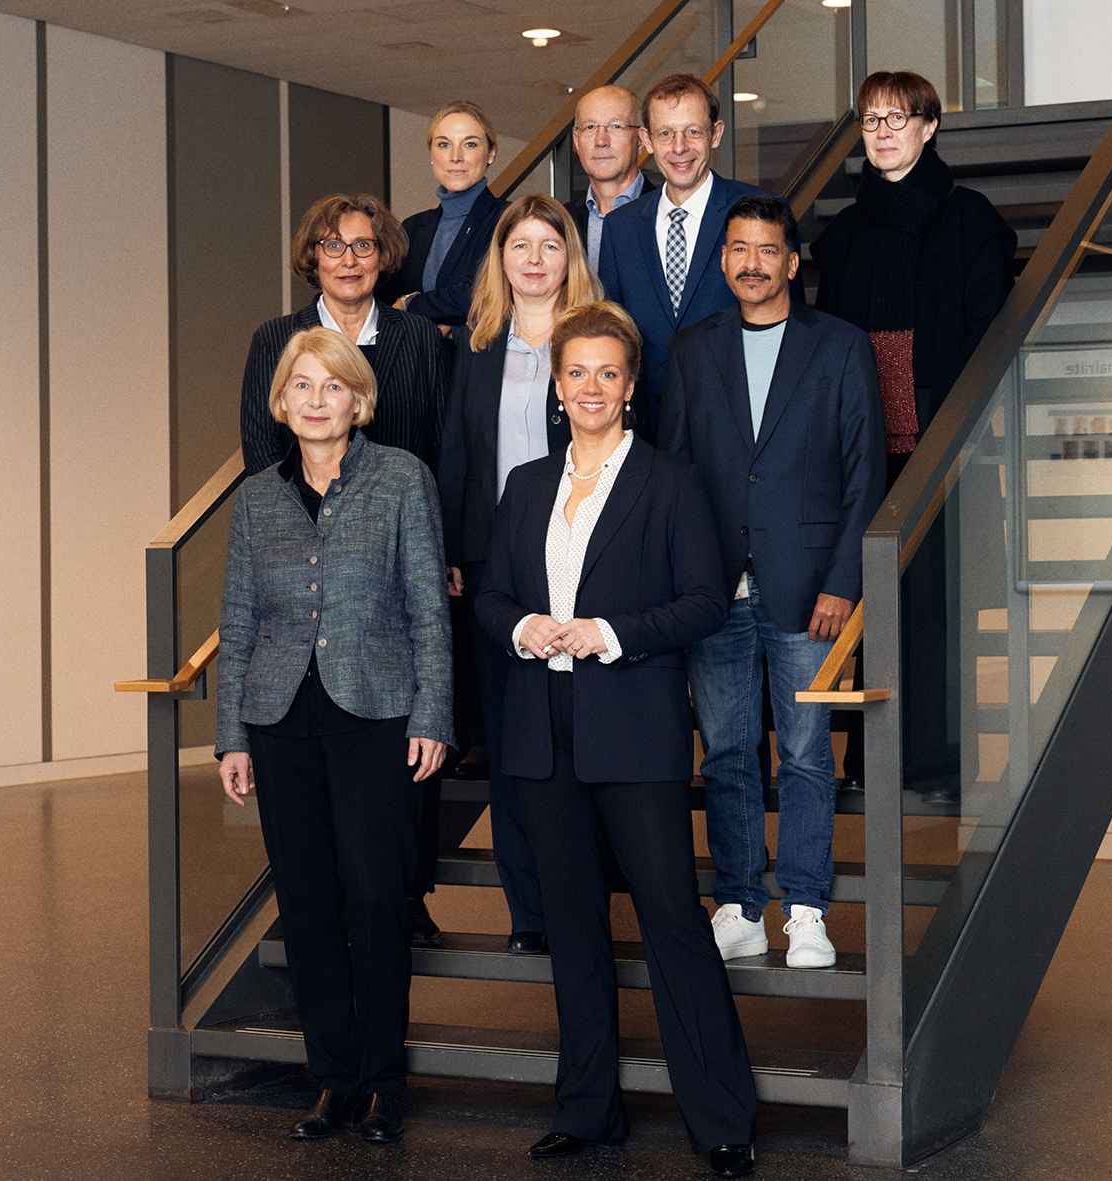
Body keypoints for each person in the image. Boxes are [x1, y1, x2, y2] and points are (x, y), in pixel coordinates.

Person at [476, 301, 757, 1179]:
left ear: (631, 385)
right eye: (576, 373)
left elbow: (705, 601)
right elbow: (489, 596)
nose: (591, 387)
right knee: (572, 925)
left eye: (607, 372)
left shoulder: (671, 482)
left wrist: (609, 632)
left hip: (634, 729)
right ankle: (587, 1110)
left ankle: (722, 1118)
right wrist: (523, 625)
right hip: (541, 731)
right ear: (557, 387)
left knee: (671, 917)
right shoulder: (526, 485)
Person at [215, 327, 453, 1145]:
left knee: (377, 895)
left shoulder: (402, 478)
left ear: (359, 400)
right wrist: (231, 735)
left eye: (333, 386)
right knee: (308, 901)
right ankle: (333, 1078)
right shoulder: (257, 498)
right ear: (281, 402)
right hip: (280, 721)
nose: (316, 401)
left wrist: (433, 714)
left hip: (376, 714)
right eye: (302, 386)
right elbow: (239, 622)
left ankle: (382, 1081)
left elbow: (429, 609)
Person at [656, 194, 885, 969]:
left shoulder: (841, 346)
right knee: (726, 752)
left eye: (766, 250)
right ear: (722, 260)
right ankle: (740, 905)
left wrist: (843, 582)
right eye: (738, 249)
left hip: (811, 590)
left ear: (791, 262)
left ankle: (807, 910)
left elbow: (864, 475)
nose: (751, 263)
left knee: (808, 753)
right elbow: (676, 474)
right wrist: (684, 583)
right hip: (715, 590)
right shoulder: (694, 348)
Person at [237, 193, 456, 947]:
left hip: (399, 552)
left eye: (363, 245)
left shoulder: (419, 338)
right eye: (333, 246)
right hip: (304, 561)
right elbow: (261, 450)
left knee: (402, 735)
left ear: (383, 256)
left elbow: (440, 442)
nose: (350, 259)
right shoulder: (276, 340)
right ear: (313, 258)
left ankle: (406, 891)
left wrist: (435, 547)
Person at [809, 71, 1016, 793]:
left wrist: (951, 418)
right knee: (870, 605)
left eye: (900, 118)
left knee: (937, 612)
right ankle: (870, 762)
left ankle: (939, 762)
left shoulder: (970, 218)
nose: (884, 132)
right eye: (872, 120)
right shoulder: (840, 235)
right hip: (863, 447)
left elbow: (989, 332)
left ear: (930, 127)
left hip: (944, 439)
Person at [436, 193, 603, 955]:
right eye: (519, 245)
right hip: (494, 568)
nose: (534, 260)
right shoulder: (476, 346)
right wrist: (455, 550)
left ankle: (583, 899)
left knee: (579, 739)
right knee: (511, 746)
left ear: (571, 257)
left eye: (549, 245)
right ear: (499, 259)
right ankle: (529, 911)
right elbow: (457, 454)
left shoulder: (596, 340)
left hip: (581, 555)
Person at [598, 73, 784, 431]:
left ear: (715, 133)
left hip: (741, 428)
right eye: (665, 134)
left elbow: (788, 331)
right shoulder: (620, 227)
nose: (679, 148)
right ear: (646, 140)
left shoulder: (762, 211)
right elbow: (613, 337)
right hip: (647, 432)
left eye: (693, 132)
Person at [378, 100, 508, 326]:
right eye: (444, 144)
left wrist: (410, 303)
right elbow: (382, 299)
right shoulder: (412, 228)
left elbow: (482, 294)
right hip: (417, 349)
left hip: (475, 349)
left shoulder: (508, 219)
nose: (455, 156)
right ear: (431, 153)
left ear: (491, 153)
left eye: (470, 144)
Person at [562, 85, 652, 274]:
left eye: (616, 126)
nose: (601, 141)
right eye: (590, 127)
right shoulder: (561, 220)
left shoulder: (668, 212)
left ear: (641, 141)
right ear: (577, 141)